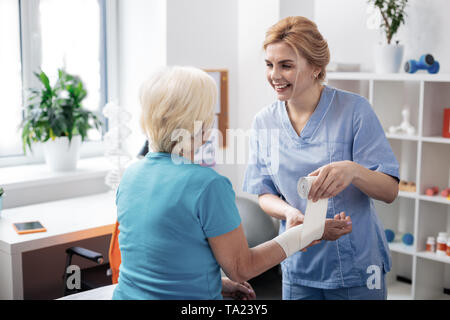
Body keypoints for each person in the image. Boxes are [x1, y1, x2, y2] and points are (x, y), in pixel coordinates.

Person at [112, 66, 352, 300]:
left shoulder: (130, 176)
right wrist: (306, 234)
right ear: (202, 125)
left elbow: (162, 259)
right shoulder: (208, 185)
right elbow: (241, 268)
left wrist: (214, 283)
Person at [242, 16, 400, 300]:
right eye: (269, 64)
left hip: (359, 268)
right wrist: (290, 212)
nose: (275, 75)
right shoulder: (264, 122)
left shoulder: (354, 111)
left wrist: (353, 171)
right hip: (299, 264)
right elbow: (264, 193)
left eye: (286, 65)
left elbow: (389, 191)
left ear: (316, 68)